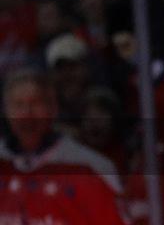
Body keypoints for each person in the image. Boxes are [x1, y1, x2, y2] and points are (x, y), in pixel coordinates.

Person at [0, 68, 126, 224]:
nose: (27, 113)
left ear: (53, 108)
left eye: (36, 103)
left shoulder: (91, 167)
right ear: (6, 111)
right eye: (18, 105)